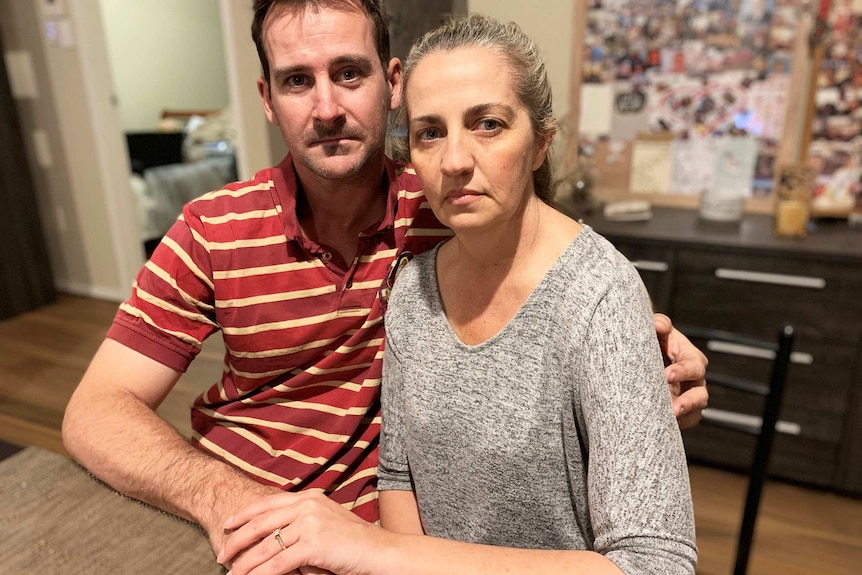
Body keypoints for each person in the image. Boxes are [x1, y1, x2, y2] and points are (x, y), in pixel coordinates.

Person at [62, 0, 706, 566]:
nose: (326, 108)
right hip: (232, 511)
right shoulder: (215, 228)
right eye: (296, 81)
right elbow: (96, 411)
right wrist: (238, 503)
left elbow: (555, 270)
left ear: (391, 82)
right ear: (266, 98)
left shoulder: (449, 206)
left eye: (349, 73)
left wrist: (641, 357)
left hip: (378, 538)